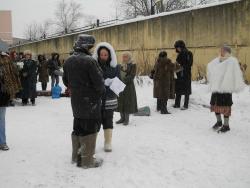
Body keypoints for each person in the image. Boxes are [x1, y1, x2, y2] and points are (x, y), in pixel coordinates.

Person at [63, 34, 105, 168]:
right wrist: (99, 92)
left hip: (76, 102)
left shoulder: (68, 60)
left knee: (78, 127)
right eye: (91, 46)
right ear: (87, 46)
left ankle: (76, 157)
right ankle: (87, 161)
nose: (92, 49)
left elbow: (65, 81)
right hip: (91, 103)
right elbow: (99, 84)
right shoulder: (90, 61)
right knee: (90, 129)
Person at [207, 45, 245, 133]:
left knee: (225, 106)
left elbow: (236, 74)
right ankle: (219, 122)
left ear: (227, 52)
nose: (221, 52)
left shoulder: (232, 61)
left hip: (226, 88)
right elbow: (211, 67)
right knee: (215, 104)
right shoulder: (217, 60)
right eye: (220, 50)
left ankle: (226, 125)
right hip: (216, 87)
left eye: (222, 51)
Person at [93, 42, 120, 152]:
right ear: (98, 55)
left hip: (109, 97)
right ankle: (92, 143)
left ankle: (108, 142)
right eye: (101, 54)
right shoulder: (94, 66)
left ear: (110, 55)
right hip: (97, 98)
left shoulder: (115, 67)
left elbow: (119, 82)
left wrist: (111, 83)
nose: (103, 56)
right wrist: (101, 84)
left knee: (108, 119)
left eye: (105, 54)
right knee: (95, 121)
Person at [0, 52, 21, 150]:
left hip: (2, 93)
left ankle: (2, 142)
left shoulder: (5, 58)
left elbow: (14, 75)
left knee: (1, 119)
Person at [116, 52, 138, 125]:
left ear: (129, 57)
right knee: (121, 101)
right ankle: (122, 118)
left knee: (127, 102)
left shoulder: (133, 65)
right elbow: (117, 74)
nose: (124, 58)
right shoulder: (120, 65)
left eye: (126, 57)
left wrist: (124, 80)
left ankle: (126, 119)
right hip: (120, 86)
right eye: (123, 57)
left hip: (128, 87)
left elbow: (132, 75)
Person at [173, 40, 193, 110]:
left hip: (184, 74)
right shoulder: (185, 53)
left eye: (177, 47)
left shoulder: (187, 53)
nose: (177, 49)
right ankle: (178, 104)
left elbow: (189, 64)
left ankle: (184, 105)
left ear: (181, 46)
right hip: (183, 74)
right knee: (181, 89)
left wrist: (181, 66)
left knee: (183, 89)